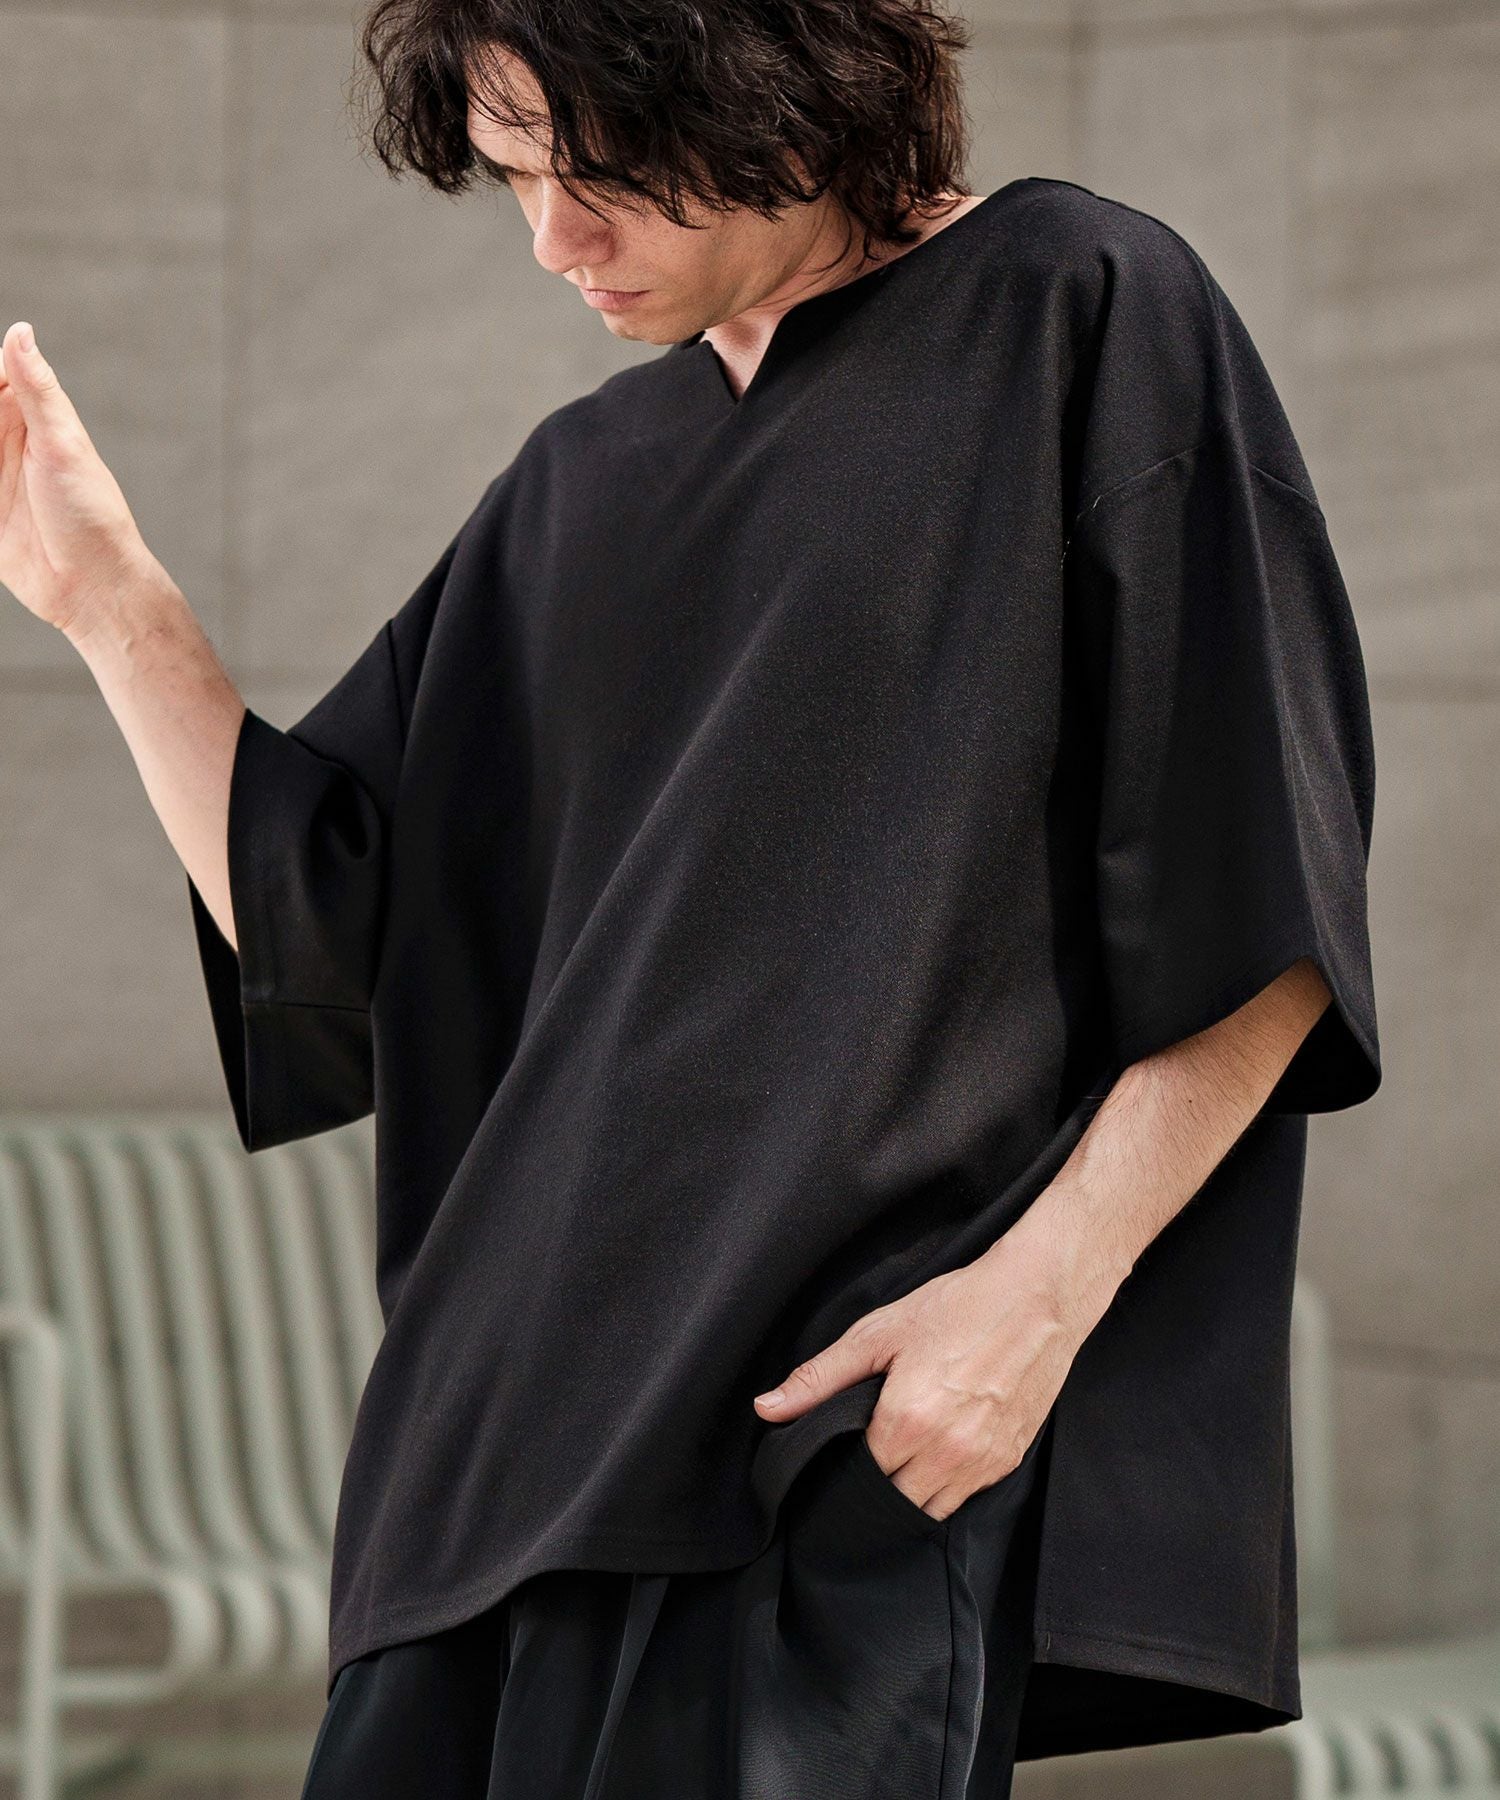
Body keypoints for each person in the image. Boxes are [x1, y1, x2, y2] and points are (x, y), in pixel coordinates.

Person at [0, 0, 1382, 1793]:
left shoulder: (1073, 308)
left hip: (826, 1440)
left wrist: (1034, 1302)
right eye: (515, 178)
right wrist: (107, 599)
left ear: (783, 90)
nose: (554, 240)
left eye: (605, 171)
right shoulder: (575, 488)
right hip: (484, 1472)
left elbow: (1266, 878)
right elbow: (330, 919)